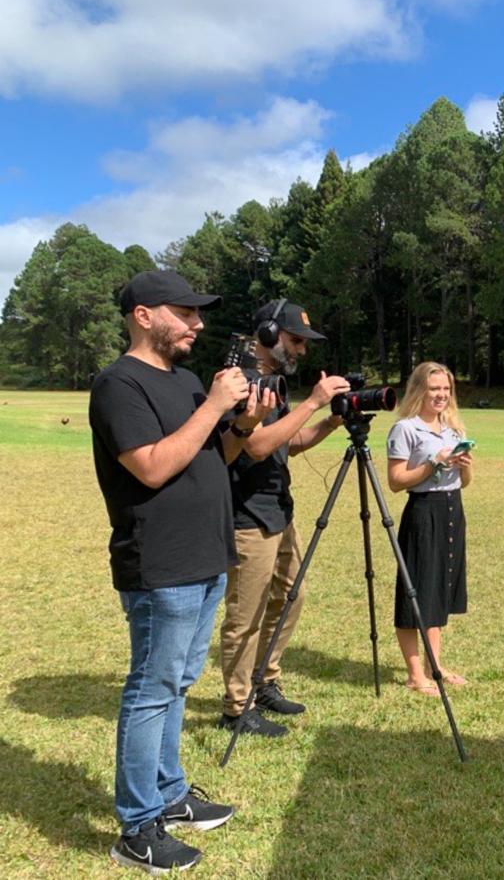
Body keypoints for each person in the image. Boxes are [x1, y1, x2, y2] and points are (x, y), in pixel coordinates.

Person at [89, 270, 272, 874]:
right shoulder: (118, 384)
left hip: (205, 556)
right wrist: (216, 405)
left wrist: (241, 424)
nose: (197, 323)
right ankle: (138, 826)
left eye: (198, 313)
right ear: (144, 316)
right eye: (185, 312)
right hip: (160, 563)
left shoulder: (189, 380)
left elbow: (213, 454)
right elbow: (150, 466)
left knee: (177, 682)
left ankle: (170, 794)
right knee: (152, 688)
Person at [217, 301, 351, 737]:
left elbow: (286, 442)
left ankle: (264, 681)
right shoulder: (238, 382)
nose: (302, 351)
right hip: (246, 515)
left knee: (291, 596)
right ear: (269, 334)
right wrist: (313, 402)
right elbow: (256, 446)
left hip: (279, 509)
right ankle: (237, 708)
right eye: (296, 341)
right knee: (246, 615)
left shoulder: (274, 382)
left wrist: (329, 422)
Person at [385, 362, 475, 696]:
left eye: (446, 389)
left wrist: (464, 465)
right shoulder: (405, 429)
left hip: (452, 509)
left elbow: (465, 482)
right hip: (423, 512)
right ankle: (414, 675)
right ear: (419, 390)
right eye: (434, 388)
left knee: (438, 589)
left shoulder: (453, 429)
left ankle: (434, 666)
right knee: (416, 592)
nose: (441, 395)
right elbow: (396, 482)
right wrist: (434, 462)